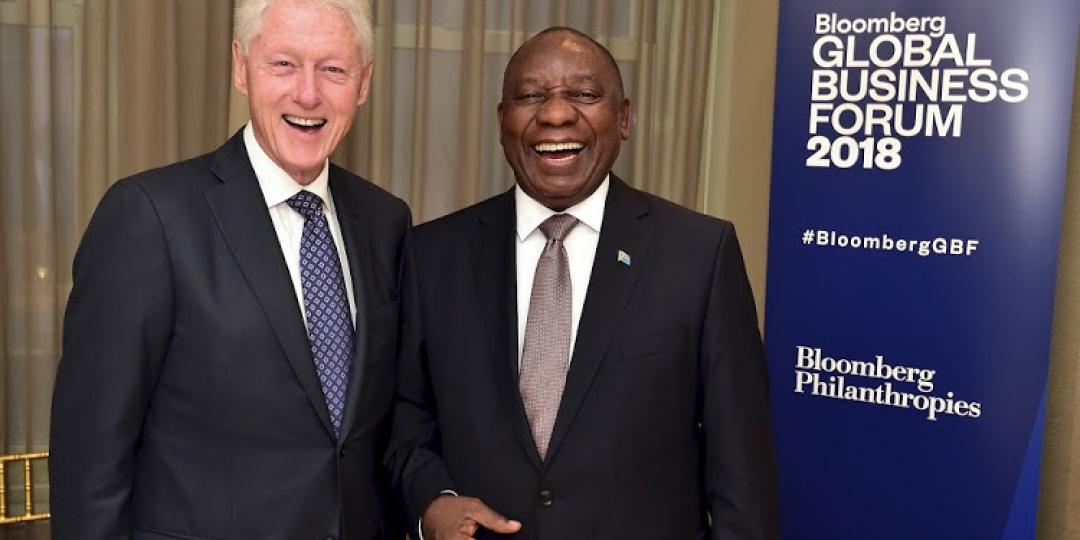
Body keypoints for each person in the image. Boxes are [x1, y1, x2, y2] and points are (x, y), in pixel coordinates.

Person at [388, 26, 779, 540]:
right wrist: (433, 502)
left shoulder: (700, 256)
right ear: (502, 120)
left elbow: (743, 471)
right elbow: (404, 413)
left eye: (584, 95)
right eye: (530, 96)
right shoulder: (432, 254)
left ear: (624, 118)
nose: (555, 114)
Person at [49, 0, 407, 538]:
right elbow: (90, 458)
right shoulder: (150, 215)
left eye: (333, 69)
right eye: (283, 64)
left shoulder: (385, 222)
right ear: (241, 67)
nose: (308, 94)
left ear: (364, 83)